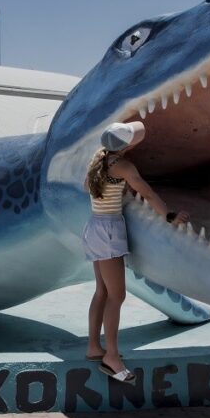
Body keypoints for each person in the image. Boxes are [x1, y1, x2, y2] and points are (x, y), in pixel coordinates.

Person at [83, 121, 190, 384]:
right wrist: (169, 215)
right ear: (126, 146)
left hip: (94, 226)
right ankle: (112, 357)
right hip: (109, 230)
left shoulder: (98, 161)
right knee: (116, 295)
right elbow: (149, 194)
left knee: (102, 291)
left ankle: (94, 347)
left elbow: (89, 187)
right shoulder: (124, 167)